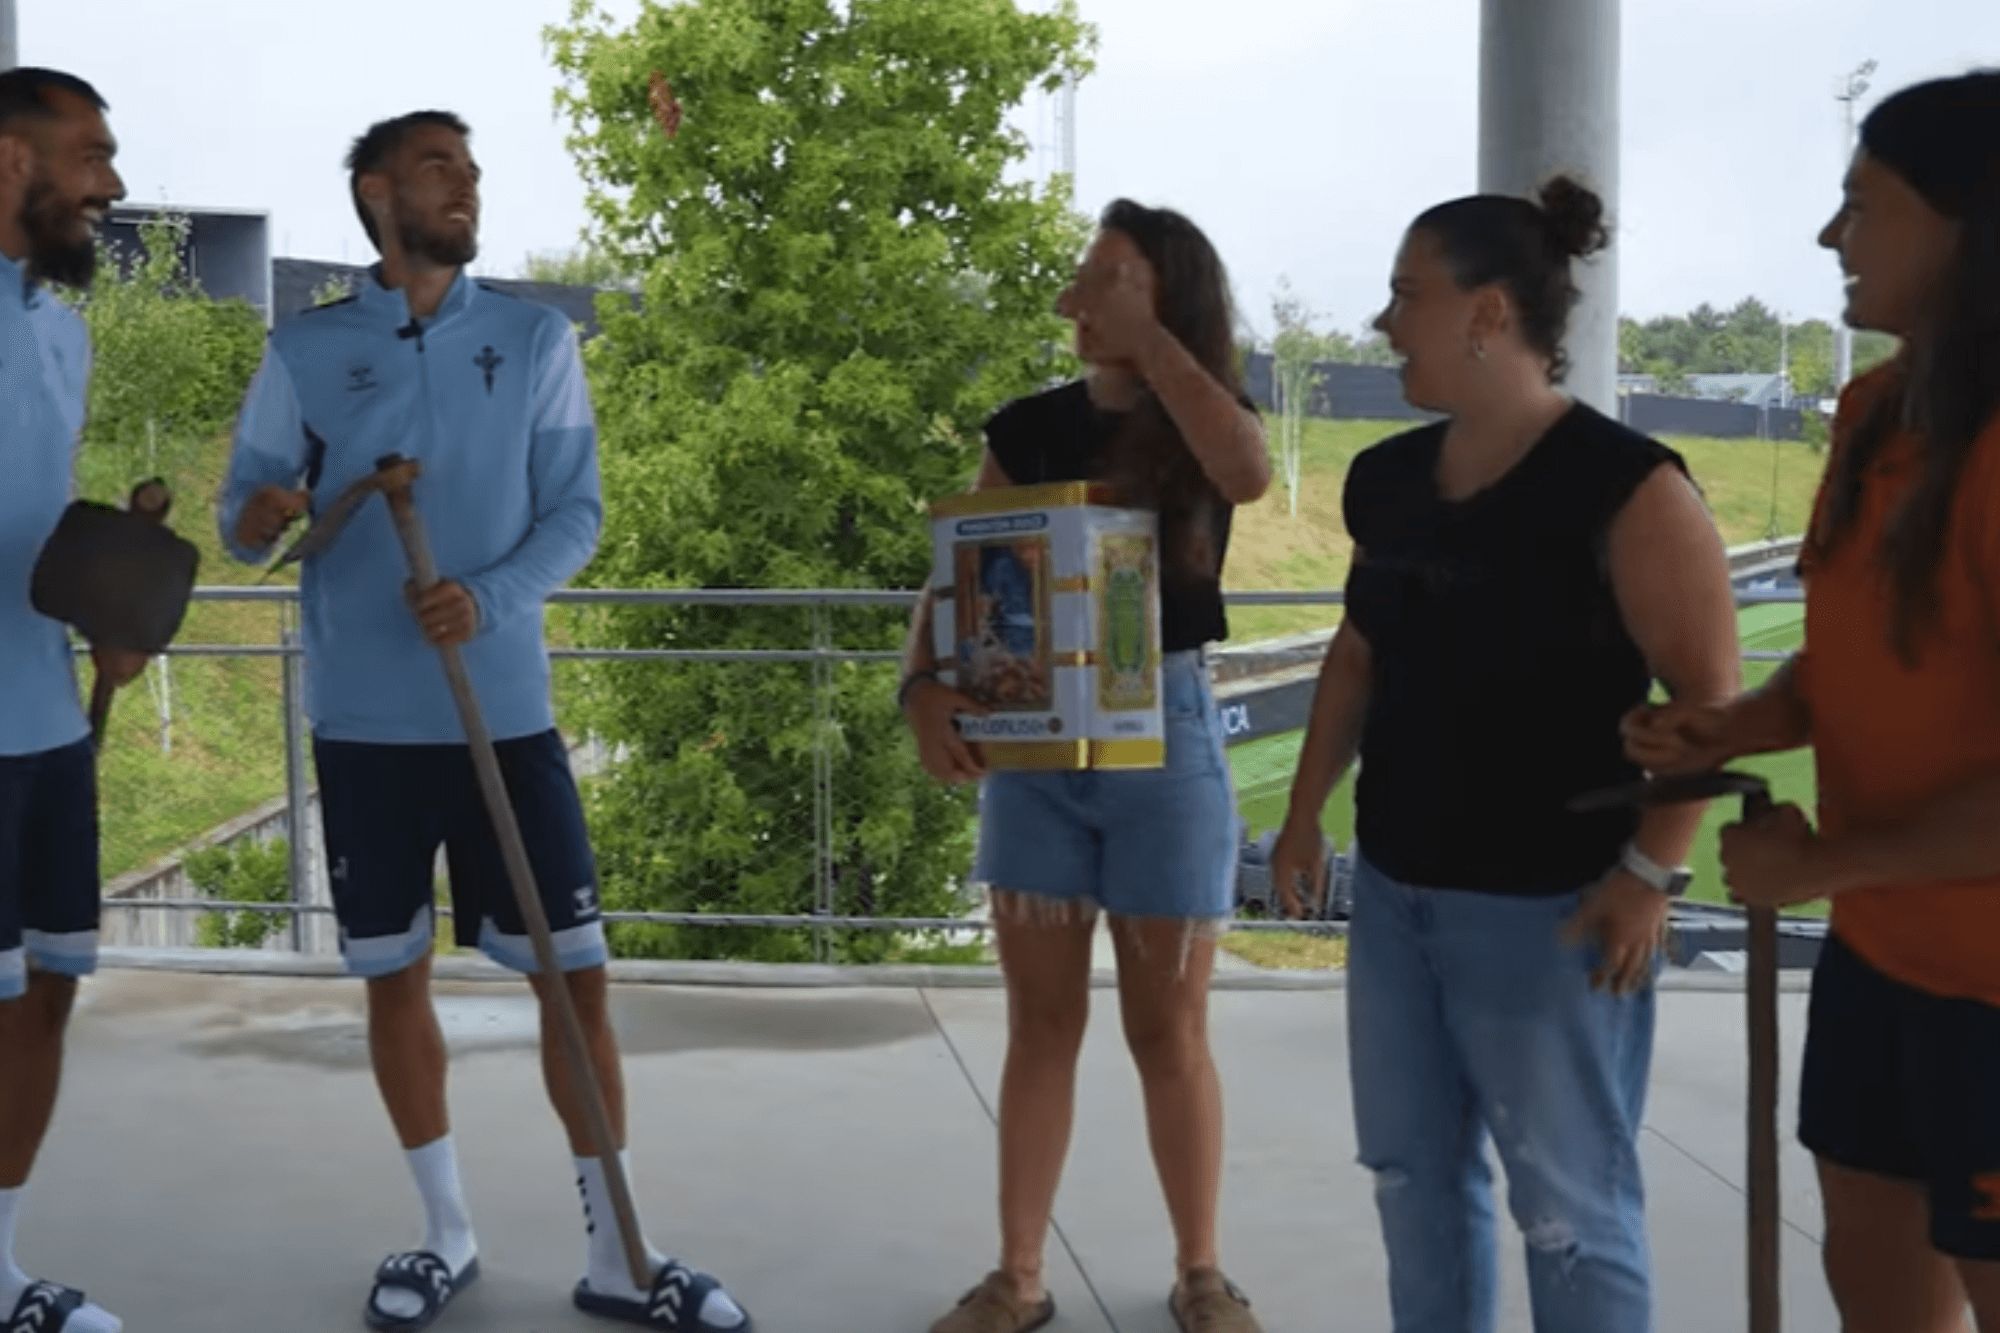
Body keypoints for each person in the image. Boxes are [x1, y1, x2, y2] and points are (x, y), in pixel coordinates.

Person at [217, 111, 749, 1333]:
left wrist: (488, 596)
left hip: (502, 715)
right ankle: (443, 1235)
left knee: (577, 980)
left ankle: (622, 1254)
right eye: (438, 167)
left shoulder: (532, 335)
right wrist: (262, 512)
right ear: (376, 192)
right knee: (391, 980)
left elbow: (576, 511)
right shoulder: (306, 350)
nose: (465, 184)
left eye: (468, 167)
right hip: (363, 725)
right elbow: (240, 520)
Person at [1271, 177, 1741, 1333]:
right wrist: (1301, 817)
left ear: (1486, 313)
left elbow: (1708, 700)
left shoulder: (1627, 486)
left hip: (1556, 908)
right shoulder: (1385, 477)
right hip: (1395, 892)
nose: (1383, 324)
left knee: (1569, 1204)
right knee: (1409, 1175)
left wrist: (1645, 878)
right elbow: (1356, 655)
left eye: (1403, 295)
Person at [1628, 71, 2000, 1333]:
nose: (1829, 238)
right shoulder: (1873, 408)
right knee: (1872, 1292)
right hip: (1883, 959)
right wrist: (1739, 723)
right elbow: (1862, 656)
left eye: (1861, 205)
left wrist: (1831, 857)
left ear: (1968, 220)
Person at [900, 200, 1271, 1333]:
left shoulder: (1203, 415)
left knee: (1169, 1028)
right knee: (1040, 1023)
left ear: (1166, 294)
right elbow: (957, 568)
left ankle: (1201, 1271)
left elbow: (1246, 472)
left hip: (1164, 733)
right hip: (1034, 744)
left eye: (1109, 274)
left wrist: (1151, 343)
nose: (1080, 291)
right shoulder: (1025, 424)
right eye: (1084, 271)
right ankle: (1016, 1274)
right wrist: (920, 686)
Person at [0, 66, 137, 1333]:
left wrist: (114, 614)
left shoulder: (61, 325)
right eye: (89, 154)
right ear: (11, 166)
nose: (111, 183)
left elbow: (37, 526)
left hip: (48, 727)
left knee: (46, 989)